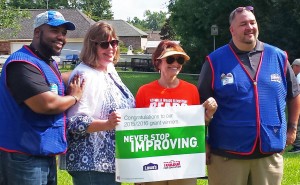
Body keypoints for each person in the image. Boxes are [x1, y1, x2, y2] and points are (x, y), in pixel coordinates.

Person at [197, 6, 300, 185]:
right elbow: (199, 105)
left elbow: (294, 95)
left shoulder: (278, 57)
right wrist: (202, 141)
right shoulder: (215, 61)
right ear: (232, 30)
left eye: (252, 22)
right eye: (243, 24)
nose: (249, 27)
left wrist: (292, 128)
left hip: (269, 154)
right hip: (226, 155)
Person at [0, 10, 84, 185]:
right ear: (37, 32)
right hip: (22, 156)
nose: (61, 36)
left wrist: (86, 73)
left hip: (42, 153)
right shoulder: (22, 63)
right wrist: (74, 97)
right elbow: (46, 104)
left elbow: (56, 84)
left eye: (64, 32)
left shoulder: (47, 62)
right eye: (55, 31)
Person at [60, 22, 135, 185]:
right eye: (104, 44)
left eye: (114, 43)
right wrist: (108, 124)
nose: (111, 48)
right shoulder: (84, 75)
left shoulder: (109, 70)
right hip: (91, 165)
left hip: (110, 163)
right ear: (92, 46)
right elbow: (74, 123)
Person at [135, 40, 217, 185]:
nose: (176, 64)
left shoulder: (191, 90)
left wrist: (206, 122)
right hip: (153, 161)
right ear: (158, 62)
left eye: (179, 59)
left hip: (183, 161)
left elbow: (196, 126)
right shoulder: (144, 91)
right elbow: (137, 131)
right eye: (170, 59)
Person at [288, 59, 300, 153]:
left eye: (293, 67)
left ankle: (298, 146)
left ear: (297, 66)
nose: (292, 69)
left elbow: (297, 92)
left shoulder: (299, 76)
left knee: (298, 124)